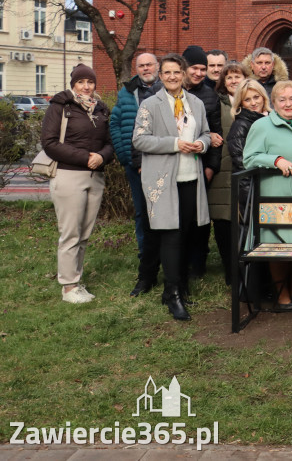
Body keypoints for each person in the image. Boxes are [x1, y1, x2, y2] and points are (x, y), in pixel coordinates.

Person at [133, 54, 212, 321]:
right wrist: (174, 144)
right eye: (166, 73)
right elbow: (140, 140)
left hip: (191, 176)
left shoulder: (196, 103)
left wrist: (202, 144)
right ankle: (172, 292)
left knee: (187, 233)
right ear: (160, 75)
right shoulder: (150, 104)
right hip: (164, 180)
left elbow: (205, 133)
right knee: (171, 236)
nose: (172, 77)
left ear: (184, 73)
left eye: (176, 72)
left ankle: (178, 286)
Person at [242, 80, 292, 310]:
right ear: (273, 103)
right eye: (282, 100)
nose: (288, 104)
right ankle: (282, 292)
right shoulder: (262, 126)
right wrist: (275, 160)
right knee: (279, 245)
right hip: (277, 195)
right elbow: (249, 157)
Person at [41, 64, 114, 304]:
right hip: (68, 175)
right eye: (81, 82)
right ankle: (68, 287)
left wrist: (102, 156)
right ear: (73, 84)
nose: (86, 86)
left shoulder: (101, 108)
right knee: (70, 233)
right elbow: (50, 143)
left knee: (84, 234)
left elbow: (110, 142)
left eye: (90, 82)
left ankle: (76, 281)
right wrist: (86, 157)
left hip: (95, 177)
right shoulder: (60, 106)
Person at [109, 51, 161, 293]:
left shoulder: (166, 89)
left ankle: (169, 262)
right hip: (134, 164)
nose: (145, 68)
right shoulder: (127, 91)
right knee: (142, 214)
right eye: (141, 65)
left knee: (165, 213)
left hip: (163, 163)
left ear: (157, 66)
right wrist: (124, 155)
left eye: (149, 64)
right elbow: (116, 123)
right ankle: (146, 262)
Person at [181, 45, 222, 279]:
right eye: (194, 68)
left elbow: (217, 135)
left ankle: (198, 265)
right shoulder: (165, 90)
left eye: (202, 69)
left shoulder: (209, 94)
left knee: (199, 220)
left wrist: (211, 167)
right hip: (173, 165)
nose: (198, 73)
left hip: (200, 166)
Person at [207, 61, 246, 285]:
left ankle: (246, 271)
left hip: (243, 169)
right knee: (223, 223)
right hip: (222, 170)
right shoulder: (216, 103)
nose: (233, 81)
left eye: (237, 77)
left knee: (244, 221)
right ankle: (231, 274)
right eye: (229, 77)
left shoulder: (252, 102)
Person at [226, 79, 271, 231]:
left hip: (267, 182)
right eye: (247, 99)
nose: (253, 103)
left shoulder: (270, 118)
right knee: (251, 232)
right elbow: (242, 161)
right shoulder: (241, 125)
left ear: (263, 97)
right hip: (249, 186)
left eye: (256, 97)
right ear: (241, 103)